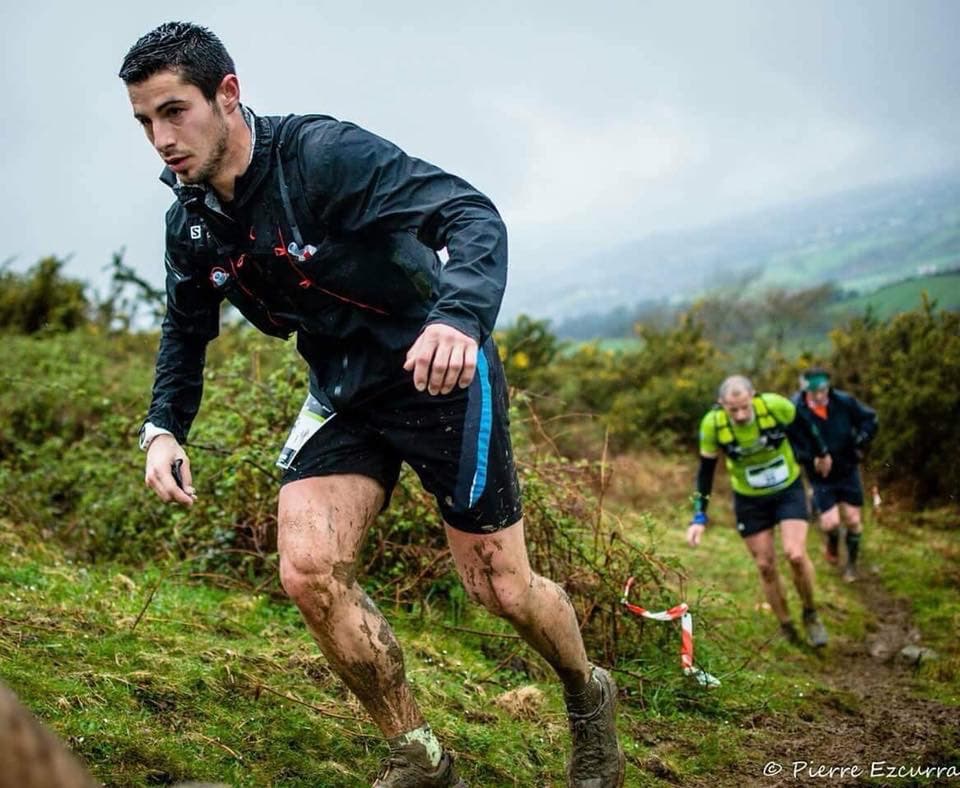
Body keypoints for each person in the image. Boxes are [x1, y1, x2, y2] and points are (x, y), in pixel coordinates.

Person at [120, 22, 623, 788]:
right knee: (307, 570)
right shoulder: (192, 222)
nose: (162, 140)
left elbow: (470, 213)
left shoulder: (322, 156)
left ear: (227, 94)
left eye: (174, 111)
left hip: (439, 374)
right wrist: (164, 427)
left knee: (500, 588)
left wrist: (458, 318)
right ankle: (419, 755)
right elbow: (186, 328)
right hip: (344, 392)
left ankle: (587, 693)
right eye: (144, 122)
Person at [686, 375, 832, 647]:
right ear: (721, 404)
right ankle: (787, 626)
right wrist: (699, 516)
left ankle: (810, 613)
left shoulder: (775, 406)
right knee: (765, 565)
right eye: (733, 410)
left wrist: (822, 453)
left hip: (788, 489)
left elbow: (807, 427)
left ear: (753, 396)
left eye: (745, 407)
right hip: (750, 499)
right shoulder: (712, 425)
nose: (741, 415)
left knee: (795, 554)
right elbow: (705, 473)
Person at [791, 368, 879, 583]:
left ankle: (851, 565)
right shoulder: (796, 409)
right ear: (805, 390)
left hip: (847, 469)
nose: (820, 396)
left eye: (823, 390)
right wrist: (809, 458)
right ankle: (832, 543)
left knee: (853, 520)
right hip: (820, 476)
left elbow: (869, 420)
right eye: (814, 392)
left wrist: (861, 440)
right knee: (830, 523)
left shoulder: (844, 401)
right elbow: (792, 442)